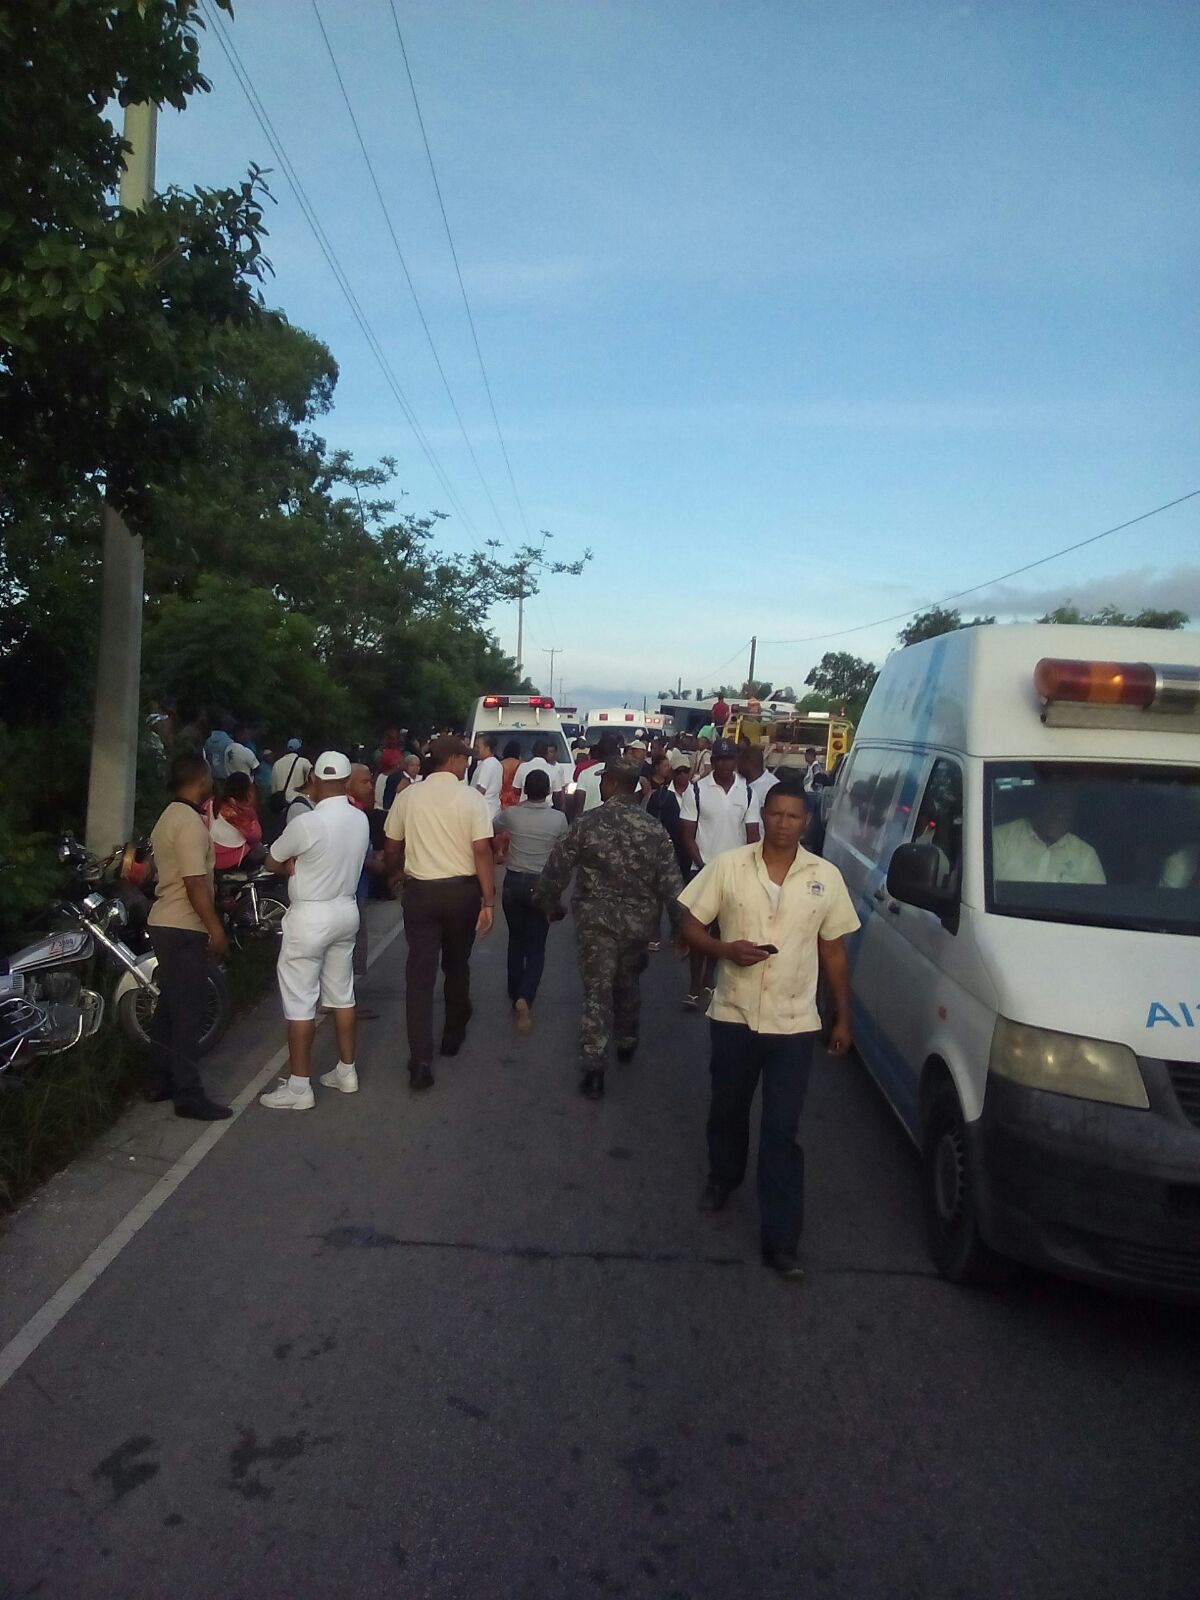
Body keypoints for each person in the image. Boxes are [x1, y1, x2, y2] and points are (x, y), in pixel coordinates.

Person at [678, 781, 859, 1281]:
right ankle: (723, 1176)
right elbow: (689, 923)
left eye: (793, 817)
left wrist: (842, 1015)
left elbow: (833, 952)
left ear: (807, 822)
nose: (783, 824)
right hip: (734, 1013)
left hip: (794, 1023)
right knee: (729, 1108)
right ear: (764, 813)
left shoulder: (825, 877)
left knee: (782, 1129)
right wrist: (723, 951)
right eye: (775, 814)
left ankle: (782, 1240)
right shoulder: (730, 866)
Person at [535, 759, 683, 1101]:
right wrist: (680, 927)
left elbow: (557, 867)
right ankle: (627, 1039)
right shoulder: (652, 828)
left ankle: (594, 1068)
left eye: (604, 781)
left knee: (597, 990)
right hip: (638, 923)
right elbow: (672, 883)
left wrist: (548, 903)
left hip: (595, 922)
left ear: (613, 784)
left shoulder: (587, 823)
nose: (601, 786)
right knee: (627, 981)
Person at [384, 735, 495, 1093]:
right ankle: (452, 1033)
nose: (467, 764)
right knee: (457, 964)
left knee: (419, 976)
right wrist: (488, 901)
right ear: (452, 760)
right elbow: (481, 851)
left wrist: (395, 873)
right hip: (461, 893)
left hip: (420, 893)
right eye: (464, 758)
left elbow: (392, 844)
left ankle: (420, 1061)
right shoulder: (471, 799)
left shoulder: (408, 796)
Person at [260, 751, 370, 1111]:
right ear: (345, 780)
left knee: (300, 1002)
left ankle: (299, 1087)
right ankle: (346, 1071)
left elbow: (272, 860)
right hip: (346, 910)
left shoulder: (306, 822)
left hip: (311, 916)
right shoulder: (360, 819)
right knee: (342, 994)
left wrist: (293, 864)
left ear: (315, 781)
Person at [146, 753, 231, 1121]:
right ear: (201, 780)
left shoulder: (168, 816)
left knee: (169, 1007)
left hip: (165, 920)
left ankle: (158, 1078)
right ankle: (188, 1093)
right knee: (188, 1012)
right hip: (183, 925)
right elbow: (194, 882)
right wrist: (215, 927)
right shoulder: (190, 824)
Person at [678, 737, 762, 1009]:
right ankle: (693, 985)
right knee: (697, 929)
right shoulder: (697, 791)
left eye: (730, 759)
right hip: (702, 869)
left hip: (735, 872)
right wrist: (702, 864)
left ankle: (709, 980)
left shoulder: (748, 792)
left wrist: (751, 869)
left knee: (720, 931)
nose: (725, 764)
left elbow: (752, 835)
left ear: (735, 761)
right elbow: (687, 833)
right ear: (712, 761)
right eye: (720, 759)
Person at [497, 768, 568, 1034]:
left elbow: (492, 826)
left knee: (515, 939)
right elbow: (563, 855)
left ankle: (514, 992)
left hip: (513, 882)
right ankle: (525, 997)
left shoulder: (512, 814)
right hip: (542, 884)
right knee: (537, 946)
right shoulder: (558, 819)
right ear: (548, 791)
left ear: (525, 789)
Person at [992, 784, 1106, 884]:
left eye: (1067, 809)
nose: (1061, 814)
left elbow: (1097, 903)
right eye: (1056, 806)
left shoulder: (1085, 854)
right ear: (1040, 805)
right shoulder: (1001, 838)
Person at [210, 771, 264, 870]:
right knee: (259, 850)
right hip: (233, 859)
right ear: (248, 791)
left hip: (209, 855)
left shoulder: (211, 803)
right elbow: (256, 836)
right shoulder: (244, 813)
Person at [571, 735, 617, 820]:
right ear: (617, 752)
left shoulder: (585, 773)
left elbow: (578, 807)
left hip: (589, 825)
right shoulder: (624, 774)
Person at [514, 741, 566, 808]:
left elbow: (516, 790)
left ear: (532, 752)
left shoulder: (522, 767)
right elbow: (558, 794)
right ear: (546, 753)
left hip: (524, 808)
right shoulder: (553, 769)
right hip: (546, 809)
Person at [472, 733, 504, 821]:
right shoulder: (495, 763)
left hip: (484, 814)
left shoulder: (488, 764)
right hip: (491, 812)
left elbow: (480, 790)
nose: (475, 749)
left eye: (477, 747)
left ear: (488, 748)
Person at [272, 739, 312, 808]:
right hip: (298, 802)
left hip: (282, 803)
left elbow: (273, 788)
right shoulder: (303, 762)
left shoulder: (277, 763)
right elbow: (312, 778)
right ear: (299, 749)